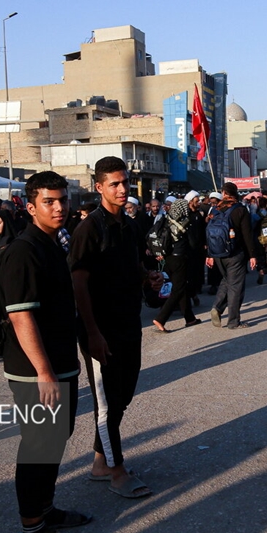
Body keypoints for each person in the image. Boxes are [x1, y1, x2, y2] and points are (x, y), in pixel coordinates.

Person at [0, 171, 90, 533]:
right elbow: (21, 317)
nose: (59, 207)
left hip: (59, 365)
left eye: (62, 200)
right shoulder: (24, 250)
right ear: (30, 205)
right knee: (38, 448)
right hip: (35, 372)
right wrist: (44, 373)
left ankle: (46, 510)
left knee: (54, 442)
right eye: (49, 201)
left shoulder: (51, 243)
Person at [70, 157, 163, 499]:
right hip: (100, 329)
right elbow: (78, 284)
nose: (122, 189)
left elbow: (134, 264)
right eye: (114, 184)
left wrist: (147, 277)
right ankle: (116, 471)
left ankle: (99, 462)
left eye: (125, 182)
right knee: (107, 403)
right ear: (99, 187)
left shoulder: (130, 224)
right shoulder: (89, 229)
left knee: (122, 396)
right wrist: (92, 333)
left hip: (128, 322)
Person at [206, 182, 257, 329]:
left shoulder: (216, 209)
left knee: (227, 280)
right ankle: (233, 321)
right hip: (235, 253)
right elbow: (247, 234)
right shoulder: (240, 210)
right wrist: (252, 255)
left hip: (217, 253)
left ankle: (217, 307)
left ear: (223, 193)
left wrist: (209, 254)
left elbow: (209, 233)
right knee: (236, 287)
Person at [152, 198, 200, 332]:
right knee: (178, 290)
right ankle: (161, 319)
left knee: (181, 287)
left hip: (168, 259)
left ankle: (190, 318)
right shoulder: (184, 222)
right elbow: (193, 243)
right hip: (179, 259)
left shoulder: (166, 219)